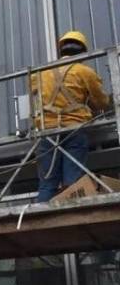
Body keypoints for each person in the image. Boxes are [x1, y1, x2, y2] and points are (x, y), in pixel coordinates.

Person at [31, 31, 110, 202]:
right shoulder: (85, 72)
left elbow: (35, 98)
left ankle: (43, 224)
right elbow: (102, 102)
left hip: (47, 132)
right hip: (74, 129)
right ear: (83, 51)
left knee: (47, 184)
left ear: (61, 51)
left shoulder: (40, 73)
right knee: (72, 182)